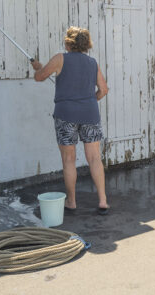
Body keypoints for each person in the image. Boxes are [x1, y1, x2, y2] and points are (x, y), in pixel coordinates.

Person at [31, 26, 109, 214]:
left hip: (66, 114)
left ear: (68, 43)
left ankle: (72, 202)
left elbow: (39, 77)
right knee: (94, 158)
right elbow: (104, 90)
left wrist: (38, 67)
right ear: (86, 44)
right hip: (90, 114)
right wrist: (89, 101)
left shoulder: (60, 59)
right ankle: (103, 201)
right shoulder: (92, 63)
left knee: (68, 159)